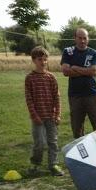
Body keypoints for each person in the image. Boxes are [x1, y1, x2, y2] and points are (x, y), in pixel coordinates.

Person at [25, 46, 63, 176]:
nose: (43, 62)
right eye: (40, 59)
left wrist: (57, 114)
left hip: (51, 117)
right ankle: (35, 165)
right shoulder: (30, 78)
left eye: (45, 59)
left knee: (53, 142)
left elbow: (57, 97)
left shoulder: (51, 77)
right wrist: (34, 116)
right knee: (39, 143)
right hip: (38, 118)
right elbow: (29, 99)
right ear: (34, 60)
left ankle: (53, 165)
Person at [61, 28, 96, 138]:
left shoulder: (94, 53)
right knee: (77, 129)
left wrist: (75, 68)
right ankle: (80, 148)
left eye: (85, 38)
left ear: (88, 39)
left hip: (92, 94)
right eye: (80, 38)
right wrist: (86, 71)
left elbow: (94, 71)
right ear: (75, 38)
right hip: (75, 95)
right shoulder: (68, 51)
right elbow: (65, 71)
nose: (82, 41)